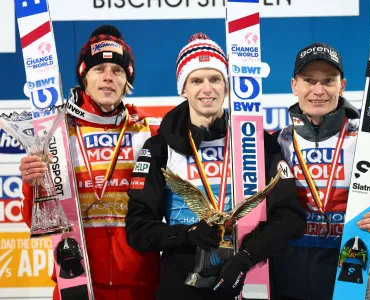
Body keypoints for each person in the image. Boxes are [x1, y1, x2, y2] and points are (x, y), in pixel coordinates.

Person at [125, 32, 305, 300]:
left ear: (226, 85)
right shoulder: (160, 147)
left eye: (215, 79)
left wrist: (246, 257)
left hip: (246, 276)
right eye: (196, 80)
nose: (207, 89)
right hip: (182, 283)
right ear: (183, 88)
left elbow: (291, 217)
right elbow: (138, 229)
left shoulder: (256, 142)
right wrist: (188, 234)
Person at [19, 25, 160, 300]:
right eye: (99, 69)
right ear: (84, 76)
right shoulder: (57, 130)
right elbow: (34, 219)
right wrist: (32, 184)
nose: (108, 77)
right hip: (76, 279)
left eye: (117, 70)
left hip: (140, 280)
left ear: (127, 80)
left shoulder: (147, 129)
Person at [269, 42, 370, 300]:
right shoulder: (275, 143)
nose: (319, 90)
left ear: (342, 85)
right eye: (309, 80)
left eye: (328, 81)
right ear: (294, 85)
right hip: (286, 276)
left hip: (349, 273)